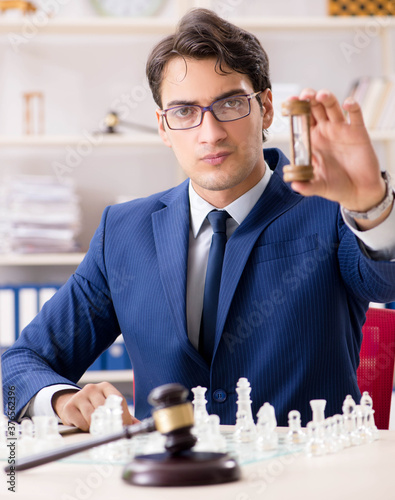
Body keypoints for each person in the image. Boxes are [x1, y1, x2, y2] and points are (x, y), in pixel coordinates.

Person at [3, 8, 395, 430]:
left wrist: (371, 204)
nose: (210, 133)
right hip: (171, 482)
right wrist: (62, 400)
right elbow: (20, 364)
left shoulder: (333, 208)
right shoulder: (123, 232)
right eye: (185, 112)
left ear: (265, 108)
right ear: (163, 127)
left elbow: (384, 280)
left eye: (229, 104)